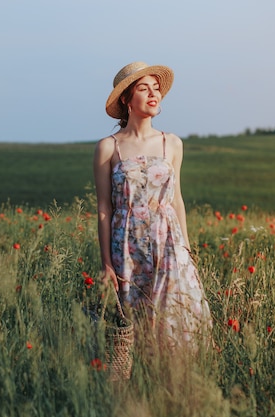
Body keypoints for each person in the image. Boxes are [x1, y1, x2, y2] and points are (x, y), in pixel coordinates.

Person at [93, 62, 211, 349]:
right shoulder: (109, 147)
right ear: (126, 99)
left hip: (168, 243)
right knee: (136, 324)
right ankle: (138, 385)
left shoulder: (171, 143)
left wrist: (187, 249)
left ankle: (177, 383)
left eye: (156, 89)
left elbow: (177, 199)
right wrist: (106, 263)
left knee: (179, 316)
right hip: (128, 249)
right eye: (143, 89)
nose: (153, 94)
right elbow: (104, 209)